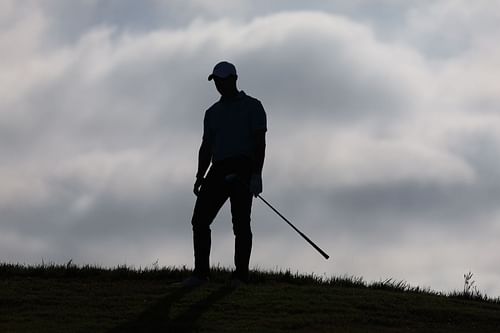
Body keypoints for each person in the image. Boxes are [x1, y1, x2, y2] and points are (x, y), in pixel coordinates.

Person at [182, 61, 267, 288]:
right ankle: (200, 274)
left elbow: (260, 144)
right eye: (216, 82)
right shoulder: (212, 113)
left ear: (234, 79)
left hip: (243, 167)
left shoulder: (253, 106)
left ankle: (240, 276)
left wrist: (256, 175)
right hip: (217, 169)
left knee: (240, 223)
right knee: (199, 220)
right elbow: (206, 147)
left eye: (223, 81)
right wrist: (200, 176)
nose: (219, 85)